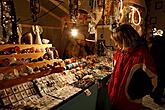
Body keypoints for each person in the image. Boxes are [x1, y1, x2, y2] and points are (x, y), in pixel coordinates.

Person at [107, 24, 157, 110]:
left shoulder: (141, 54)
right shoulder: (121, 52)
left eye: (117, 41)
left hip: (130, 102)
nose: (115, 44)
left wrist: (137, 94)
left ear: (125, 40)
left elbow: (153, 78)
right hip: (115, 98)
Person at [149, 35, 165, 105]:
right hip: (161, 67)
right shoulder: (161, 47)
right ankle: (157, 97)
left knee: (158, 82)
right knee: (161, 83)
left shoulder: (153, 47)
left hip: (156, 67)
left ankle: (154, 94)